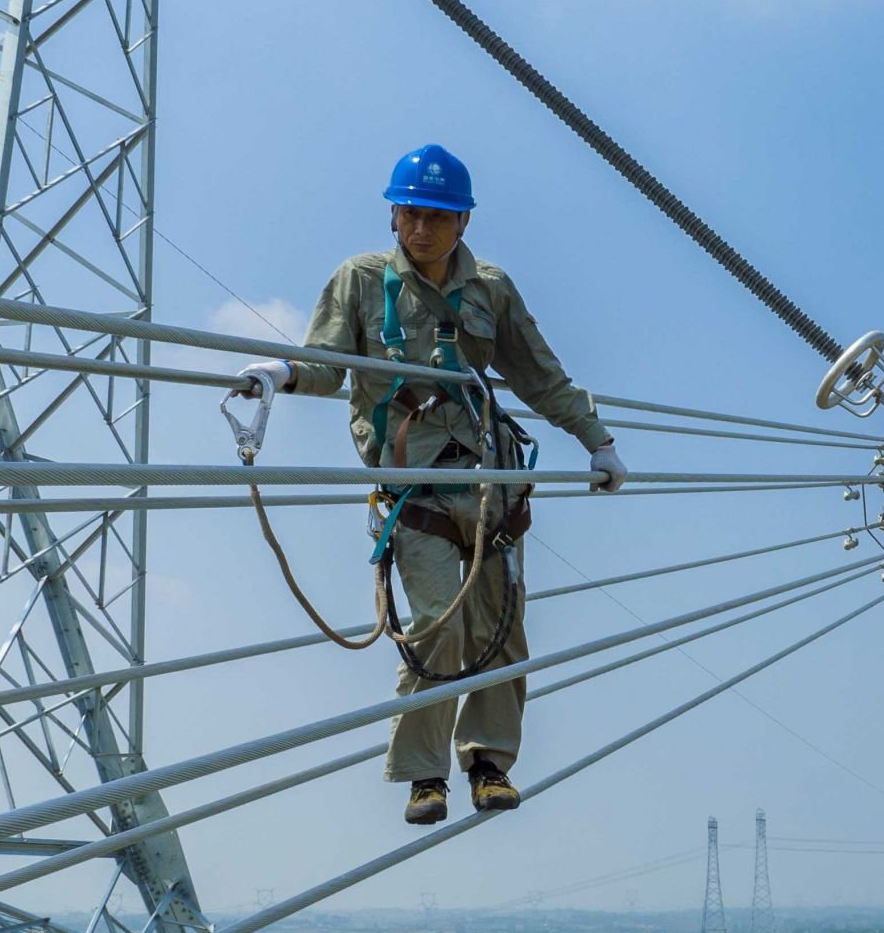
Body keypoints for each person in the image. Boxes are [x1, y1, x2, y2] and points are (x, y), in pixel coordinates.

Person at [236, 145, 627, 827]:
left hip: (488, 475)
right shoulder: (360, 282)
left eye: (438, 218)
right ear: (393, 215)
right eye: (411, 213)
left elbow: (540, 375)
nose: (422, 229)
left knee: (501, 622)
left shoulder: (491, 289)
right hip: (412, 478)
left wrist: (598, 439)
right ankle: (425, 774)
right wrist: (280, 373)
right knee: (440, 621)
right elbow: (327, 367)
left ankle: (489, 762)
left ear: (465, 222)